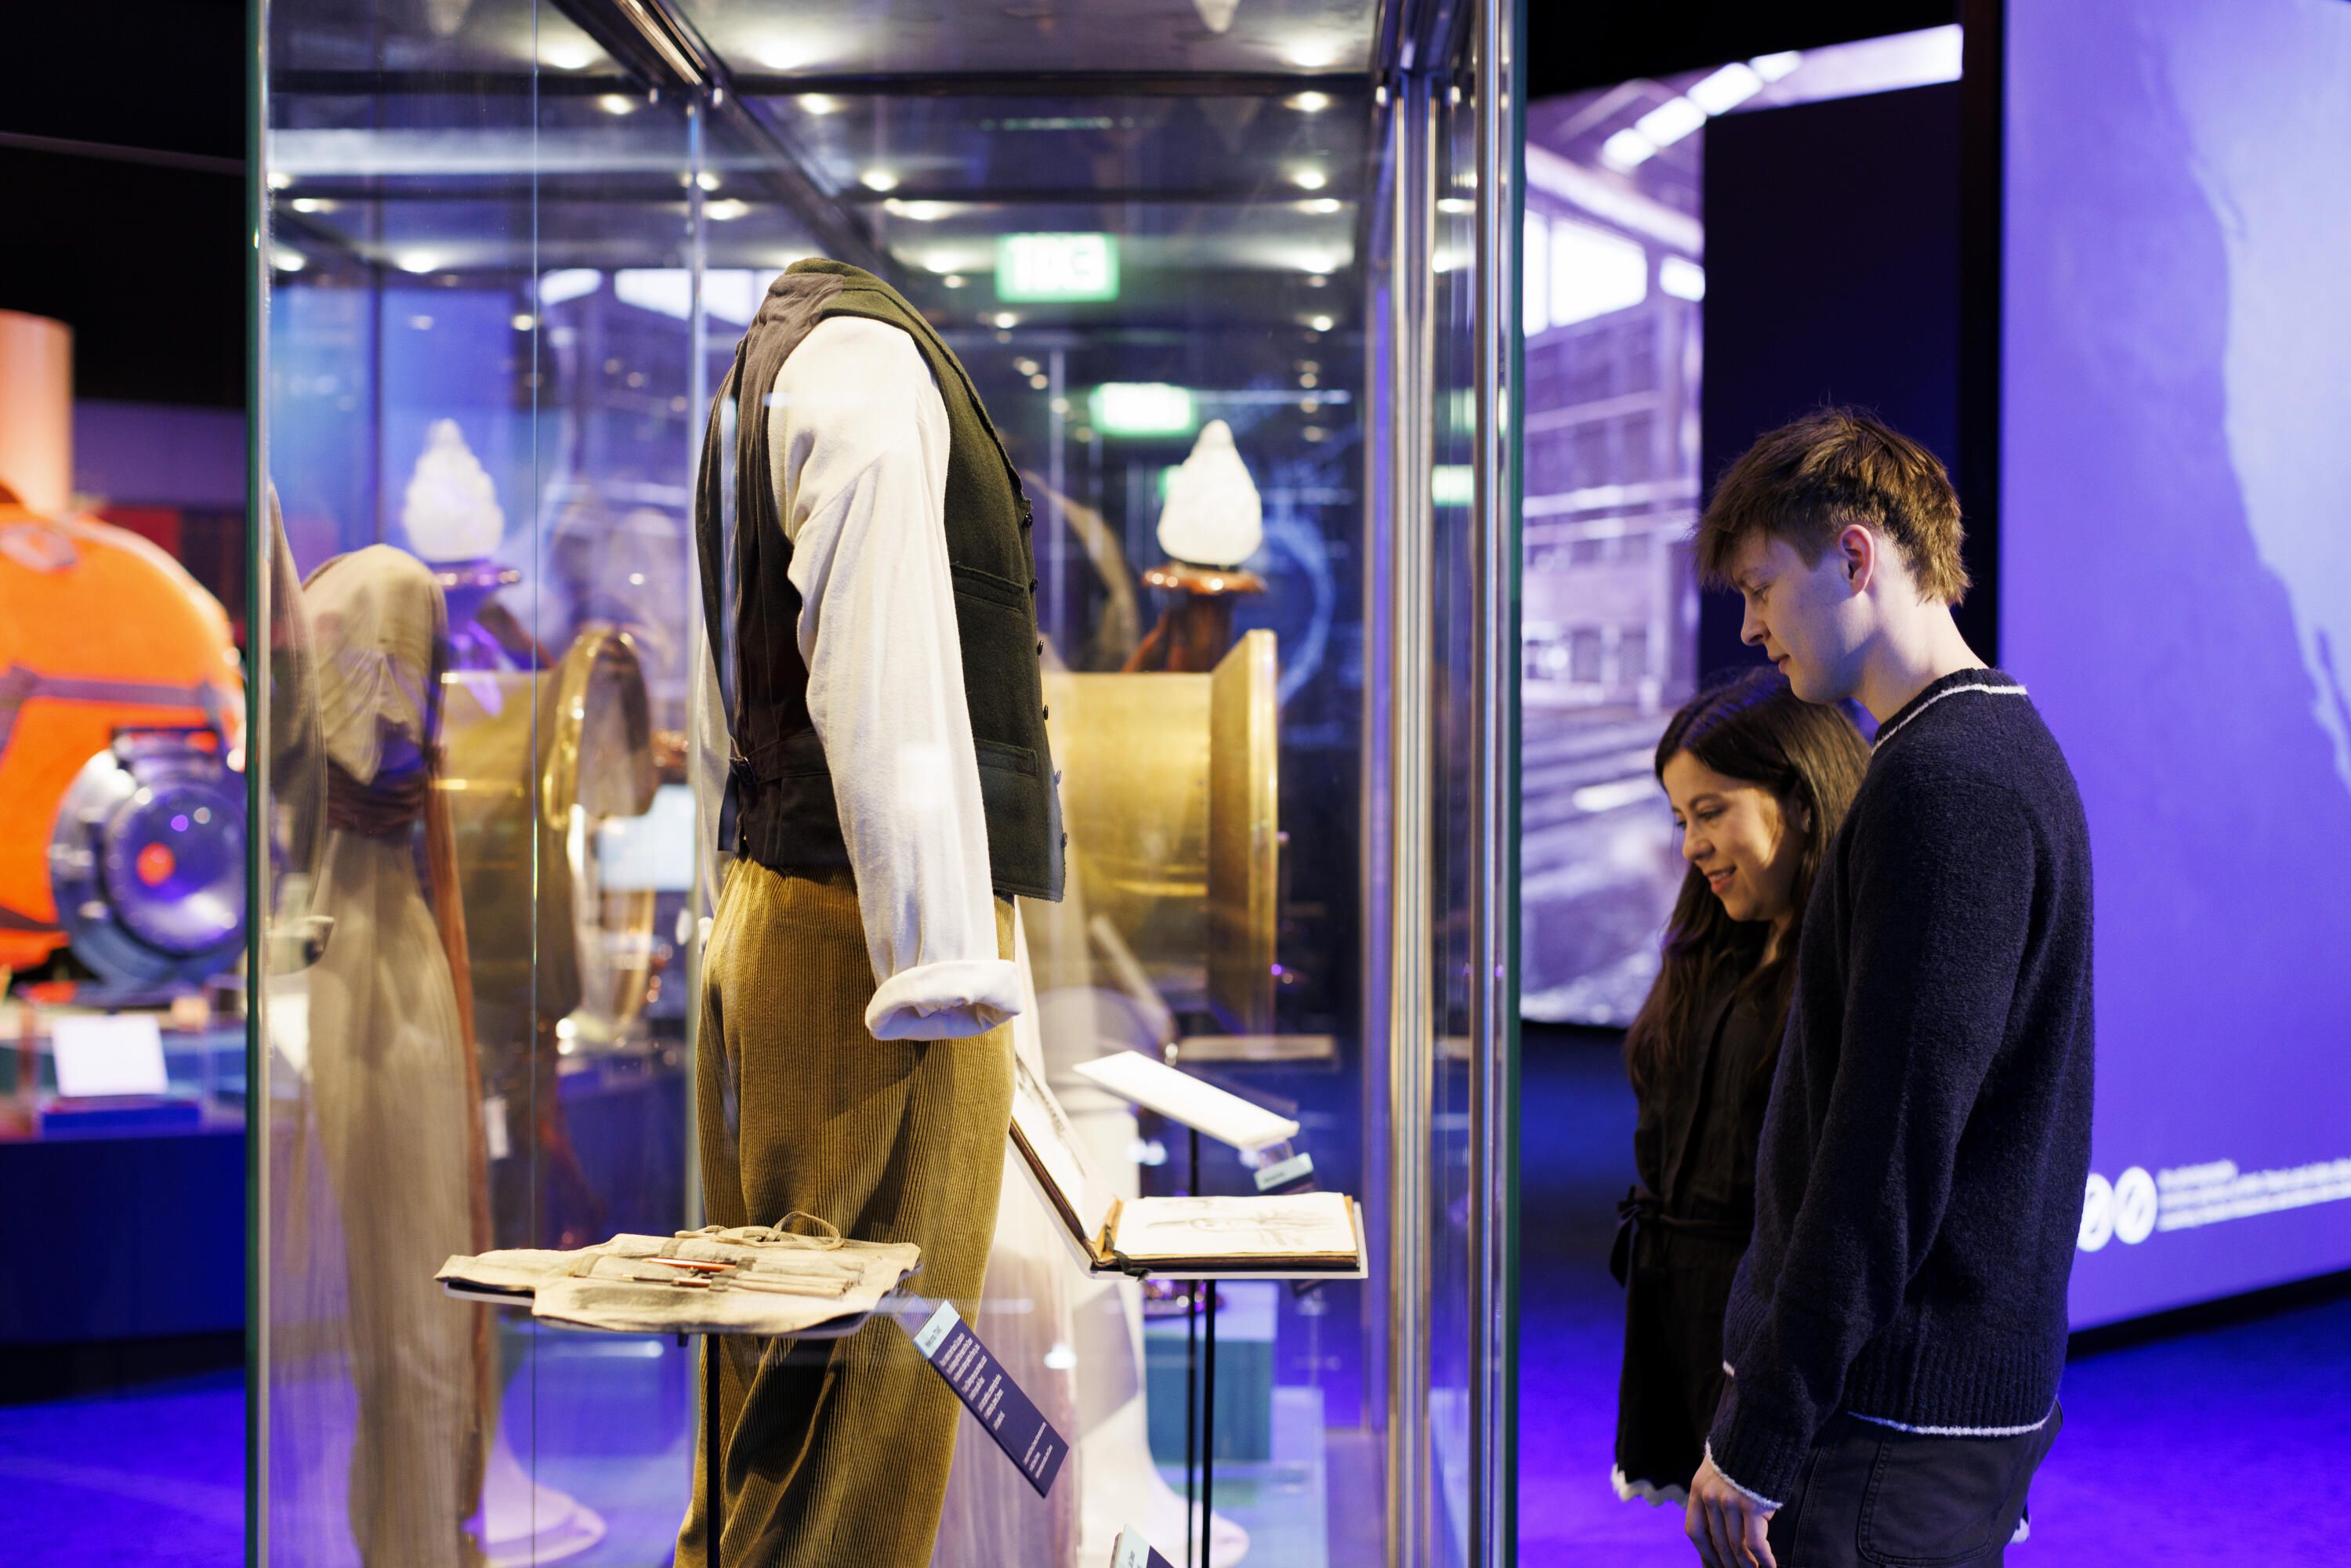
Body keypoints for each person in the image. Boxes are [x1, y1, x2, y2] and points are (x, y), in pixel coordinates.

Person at [1679, 411, 2095, 1568]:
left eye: (1762, 586)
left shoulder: (1947, 783)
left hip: (1887, 1420)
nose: (1752, 625)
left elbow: (1886, 1156)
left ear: (1857, 557)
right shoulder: (1982, 751)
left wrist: (1762, 1428)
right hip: (1918, 1409)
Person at [1613, 668, 1869, 1510]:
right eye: (1682, 818)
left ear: (1799, 796)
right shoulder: (1716, 943)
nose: (1690, 843)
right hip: (1686, 1318)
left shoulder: (1851, 962)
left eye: (1711, 810)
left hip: (1781, 1349)